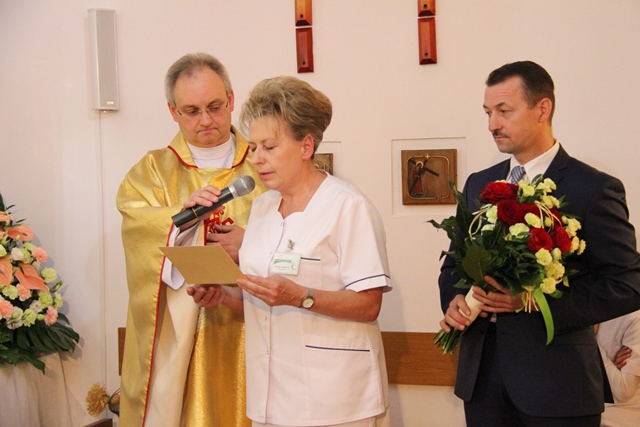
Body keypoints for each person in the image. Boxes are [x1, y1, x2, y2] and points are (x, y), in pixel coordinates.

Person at [437, 60, 640, 426]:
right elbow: (454, 264)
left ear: (542, 109)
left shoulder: (592, 188)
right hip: (482, 382)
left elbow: (628, 283)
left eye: (504, 111)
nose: (492, 124)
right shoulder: (478, 184)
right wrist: (454, 300)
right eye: (487, 112)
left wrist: (533, 302)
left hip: (559, 384)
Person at [187, 76, 392, 427]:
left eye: (269, 147)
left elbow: (369, 304)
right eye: (254, 147)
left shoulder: (348, 206)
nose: (258, 159)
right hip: (270, 396)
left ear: (306, 146)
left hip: (337, 400)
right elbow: (265, 301)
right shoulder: (262, 208)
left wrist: (301, 296)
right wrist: (223, 297)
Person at [116, 53, 264, 427]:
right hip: (182, 330)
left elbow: (301, 234)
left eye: (215, 107)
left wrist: (251, 243)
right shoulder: (152, 171)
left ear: (231, 99)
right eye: (192, 111)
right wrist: (179, 220)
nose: (206, 120)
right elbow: (137, 229)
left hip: (253, 325)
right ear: (173, 111)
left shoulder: (263, 164)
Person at [596, 310, 640, 427]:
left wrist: (589, 340)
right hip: (579, 412)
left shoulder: (634, 317)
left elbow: (623, 389)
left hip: (617, 420)